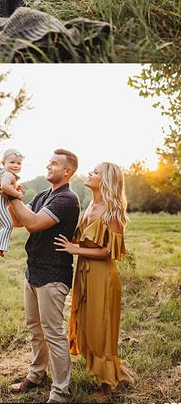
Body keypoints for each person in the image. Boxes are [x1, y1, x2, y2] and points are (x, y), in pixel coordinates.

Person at [5, 150, 81, 402]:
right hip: (33, 271)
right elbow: (18, 221)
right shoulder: (42, 195)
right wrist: (12, 196)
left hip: (53, 275)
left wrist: (11, 194)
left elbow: (35, 223)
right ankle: (36, 374)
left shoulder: (68, 199)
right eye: (49, 161)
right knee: (35, 329)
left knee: (53, 332)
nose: (48, 165)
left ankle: (60, 391)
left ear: (67, 171)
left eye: (55, 163)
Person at [58, 161, 130, 391]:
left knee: (102, 326)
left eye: (95, 172)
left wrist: (74, 250)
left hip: (102, 275)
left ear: (106, 180)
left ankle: (108, 381)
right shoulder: (90, 205)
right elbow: (84, 238)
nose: (89, 173)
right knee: (88, 323)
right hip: (84, 272)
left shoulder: (113, 211)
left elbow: (110, 252)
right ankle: (110, 373)